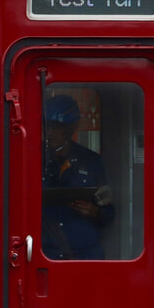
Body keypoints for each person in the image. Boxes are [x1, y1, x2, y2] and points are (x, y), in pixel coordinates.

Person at [41, 94, 113, 259]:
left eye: (56, 126)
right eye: (47, 126)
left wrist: (95, 212)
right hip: (44, 254)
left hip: (85, 256)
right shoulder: (33, 160)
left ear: (71, 127)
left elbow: (109, 212)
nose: (50, 133)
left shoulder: (91, 162)